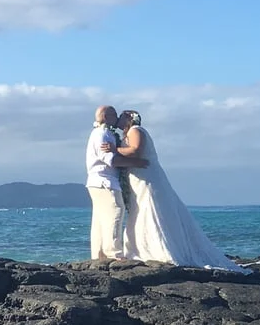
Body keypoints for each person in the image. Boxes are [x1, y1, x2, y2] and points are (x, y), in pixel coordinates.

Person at [100, 110, 246, 271]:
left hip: (147, 177)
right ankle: (141, 248)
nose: (118, 120)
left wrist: (114, 150)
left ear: (129, 119)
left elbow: (136, 150)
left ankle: (157, 248)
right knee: (140, 210)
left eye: (121, 117)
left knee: (150, 208)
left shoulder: (136, 131)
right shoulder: (129, 133)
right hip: (137, 177)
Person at [87, 106, 148, 260]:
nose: (117, 118)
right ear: (106, 117)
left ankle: (99, 254)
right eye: (114, 115)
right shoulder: (103, 134)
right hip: (105, 181)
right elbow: (110, 159)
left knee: (100, 219)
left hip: (97, 181)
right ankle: (114, 253)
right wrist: (136, 162)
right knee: (115, 212)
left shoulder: (100, 133)